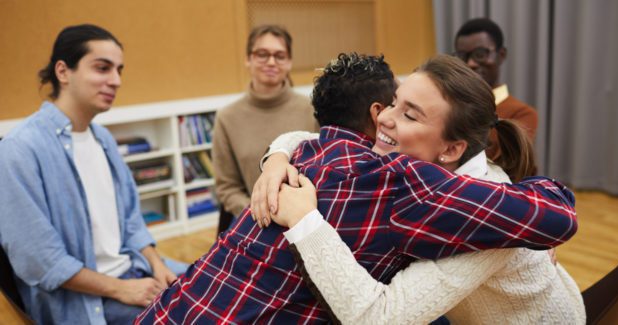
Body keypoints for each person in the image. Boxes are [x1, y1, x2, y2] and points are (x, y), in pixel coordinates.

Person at [136, 53, 577, 324]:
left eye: (409, 115)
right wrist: (278, 157)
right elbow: (318, 139)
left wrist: (306, 221)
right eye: (394, 102)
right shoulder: (406, 170)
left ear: (451, 148)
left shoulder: (473, 208)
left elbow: (377, 318)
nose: (383, 119)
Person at [0, 24, 187, 324]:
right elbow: (41, 261)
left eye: (119, 70)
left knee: (219, 285)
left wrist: (157, 265)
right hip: (87, 298)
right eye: (102, 68)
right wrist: (121, 289)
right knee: (189, 316)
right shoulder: (19, 149)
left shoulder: (103, 138)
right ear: (63, 72)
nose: (115, 80)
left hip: (135, 271)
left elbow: (131, 221)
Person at [212, 24, 318, 223]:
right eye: (262, 54)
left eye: (279, 55)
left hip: (307, 219)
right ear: (248, 59)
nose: (271, 62)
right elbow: (227, 188)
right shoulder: (227, 117)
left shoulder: (312, 109)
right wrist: (259, 212)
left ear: (289, 62)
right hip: (254, 221)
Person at [454, 17, 538, 162]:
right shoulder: (450, 105)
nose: (470, 63)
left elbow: (508, 168)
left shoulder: (521, 114)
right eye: (462, 57)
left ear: (501, 55)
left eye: (480, 54)